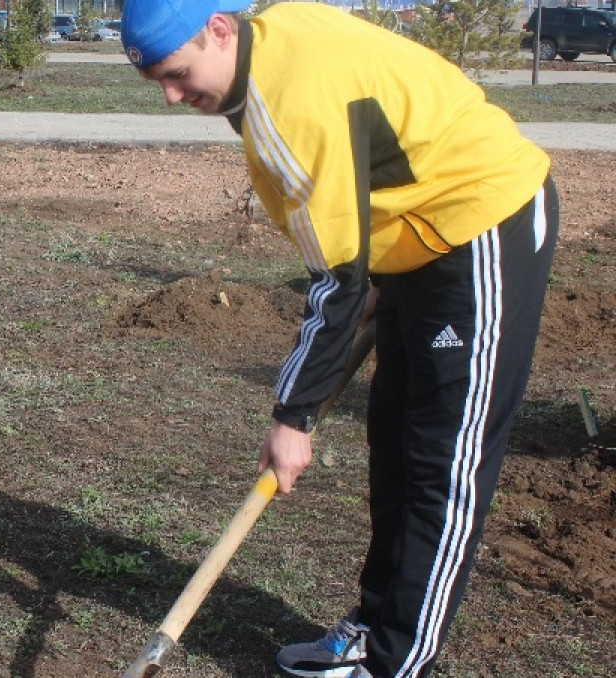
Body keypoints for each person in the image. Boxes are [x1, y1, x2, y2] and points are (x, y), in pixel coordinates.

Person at [120, 2, 558, 677]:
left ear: (219, 29)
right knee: (395, 444)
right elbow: (364, 175)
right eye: (158, 83)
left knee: (446, 462)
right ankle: (376, 621)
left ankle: (395, 663)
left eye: (177, 74)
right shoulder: (266, 44)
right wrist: (382, 265)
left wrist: (294, 417)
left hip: (479, 223)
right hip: (414, 239)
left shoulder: (289, 106)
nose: (174, 95)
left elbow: (335, 285)